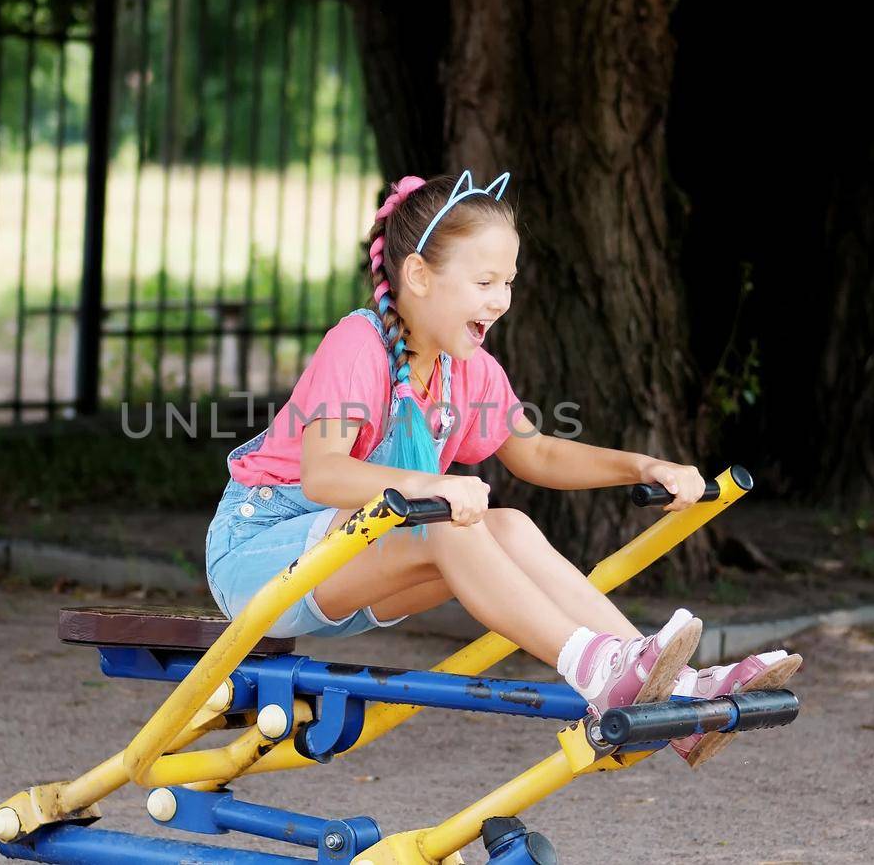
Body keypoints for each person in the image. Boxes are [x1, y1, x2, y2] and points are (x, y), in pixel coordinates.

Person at [204, 172, 801, 767]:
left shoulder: (471, 370)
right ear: (417, 275)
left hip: (352, 567)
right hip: (260, 558)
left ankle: (674, 689)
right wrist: (432, 485)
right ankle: (593, 666)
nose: (501, 300)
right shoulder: (357, 344)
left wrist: (643, 464)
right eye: (484, 281)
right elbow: (324, 476)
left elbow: (537, 452)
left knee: (508, 523)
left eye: (508, 283)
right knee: (446, 520)